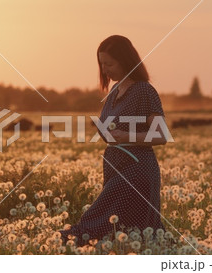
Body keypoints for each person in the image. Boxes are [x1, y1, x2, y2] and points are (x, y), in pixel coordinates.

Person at [59, 35, 169, 247]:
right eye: (102, 64)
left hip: (137, 171)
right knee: (123, 233)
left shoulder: (144, 91)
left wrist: (126, 136)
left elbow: (161, 135)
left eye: (109, 63)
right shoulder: (114, 91)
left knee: (96, 223)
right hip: (115, 167)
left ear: (126, 61)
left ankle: (62, 243)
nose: (105, 69)